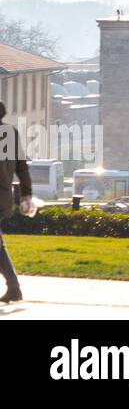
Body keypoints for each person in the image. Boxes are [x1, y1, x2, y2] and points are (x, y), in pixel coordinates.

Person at [0, 102, 34, 303]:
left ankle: (14, 288)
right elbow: (22, 167)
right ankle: (14, 288)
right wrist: (26, 193)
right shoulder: (10, 133)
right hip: (4, 198)